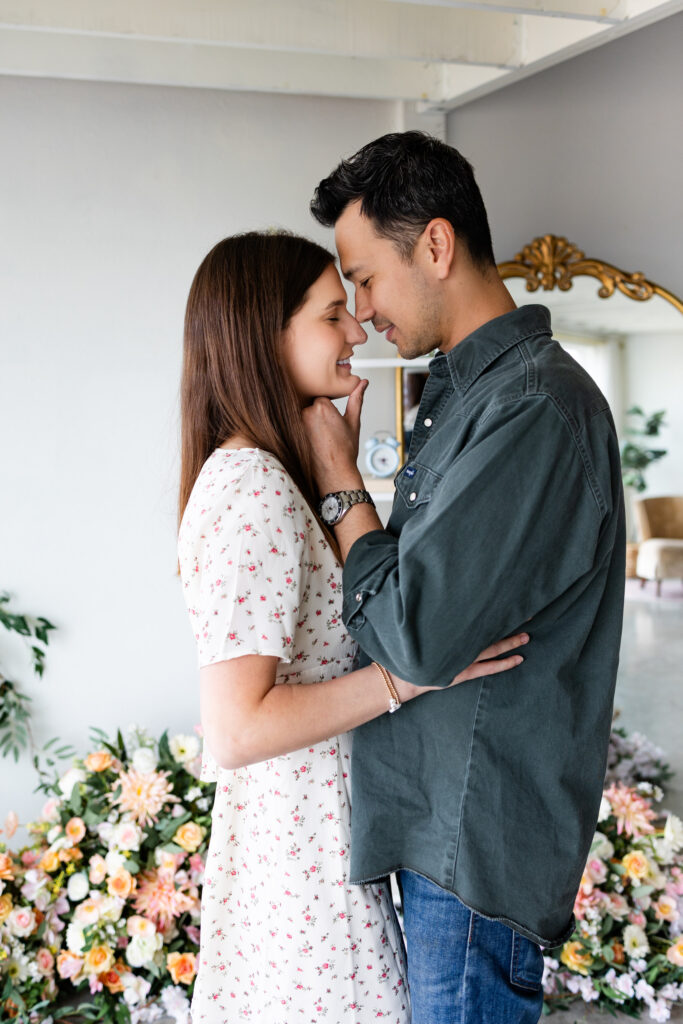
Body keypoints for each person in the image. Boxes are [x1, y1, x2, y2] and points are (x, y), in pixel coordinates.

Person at [305, 132, 626, 1024]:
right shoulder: (469, 395)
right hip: (443, 844)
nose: (361, 312)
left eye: (364, 277)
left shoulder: (533, 408)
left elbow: (415, 633)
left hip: (471, 861)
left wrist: (341, 491)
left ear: (436, 246)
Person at [176, 231, 529, 1022]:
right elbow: (234, 729)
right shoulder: (253, 489)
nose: (358, 331)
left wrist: (344, 476)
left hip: (316, 843)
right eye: (332, 313)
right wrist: (410, 674)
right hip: (302, 863)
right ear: (265, 337)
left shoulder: (270, 476)